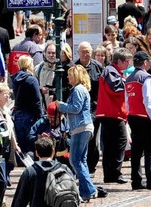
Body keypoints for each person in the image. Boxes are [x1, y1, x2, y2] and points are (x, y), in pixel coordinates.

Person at [55, 65, 105, 201]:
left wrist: (61, 106)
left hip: (80, 127)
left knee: (75, 159)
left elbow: (76, 108)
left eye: (70, 75)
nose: (67, 77)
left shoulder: (78, 89)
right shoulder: (81, 89)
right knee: (81, 160)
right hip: (85, 127)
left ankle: (89, 189)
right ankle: (86, 192)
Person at [125, 51, 151, 191]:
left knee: (136, 151)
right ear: (145, 63)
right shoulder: (146, 78)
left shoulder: (129, 78)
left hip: (133, 116)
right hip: (145, 117)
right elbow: (149, 101)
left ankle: (136, 181)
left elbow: (127, 101)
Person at [96, 48, 132, 184]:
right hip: (112, 113)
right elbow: (115, 88)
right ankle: (114, 173)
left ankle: (110, 174)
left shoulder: (111, 71)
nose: (128, 63)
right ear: (119, 61)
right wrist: (126, 82)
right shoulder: (111, 71)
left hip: (110, 112)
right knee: (120, 142)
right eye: (126, 61)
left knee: (111, 145)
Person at [11, 136, 73, 207]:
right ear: (53, 151)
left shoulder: (30, 172)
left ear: (36, 153)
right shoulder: (65, 169)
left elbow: (19, 201)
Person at [75, 42, 103, 174]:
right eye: (83, 52)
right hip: (79, 109)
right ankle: (81, 162)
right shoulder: (73, 67)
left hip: (94, 108)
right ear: (78, 53)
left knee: (92, 137)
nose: (85, 54)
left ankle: (91, 164)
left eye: (88, 52)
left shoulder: (97, 67)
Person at [12, 56, 44, 153]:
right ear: (29, 65)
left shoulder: (14, 78)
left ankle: (23, 164)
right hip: (30, 115)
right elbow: (37, 100)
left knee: (22, 144)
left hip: (18, 114)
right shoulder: (32, 79)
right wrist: (41, 115)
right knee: (32, 142)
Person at [35, 41, 57, 106]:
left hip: (56, 107)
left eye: (53, 53)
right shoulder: (38, 68)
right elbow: (33, 86)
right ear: (45, 53)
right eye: (49, 53)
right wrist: (40, 89)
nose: (51, 55)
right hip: (42, 106)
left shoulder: (61, 68)